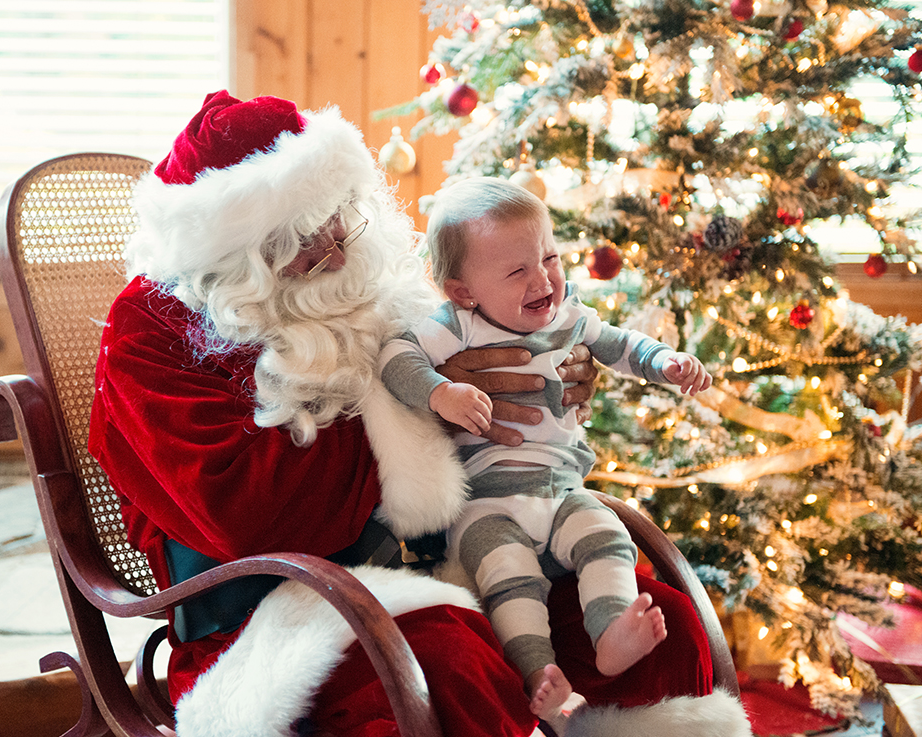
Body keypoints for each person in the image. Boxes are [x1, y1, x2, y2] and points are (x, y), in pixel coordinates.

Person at [88, 90, 751, 737]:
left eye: (339, 219)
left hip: (461, 551)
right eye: (302, 241)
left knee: (664, 627)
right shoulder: (151, 332)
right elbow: (245, 513)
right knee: (451, 666)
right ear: (236, 255)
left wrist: (547, 378)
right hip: (279, 610)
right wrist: (418, 405)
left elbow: (491, 377)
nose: (338, 253)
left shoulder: (365, 281)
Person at [379, 176, 712, 721]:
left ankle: (611, 633)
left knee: (607, 535)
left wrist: (665, 362)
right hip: (487, 501)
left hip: (561, 490)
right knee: (508, 575)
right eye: (517, 272)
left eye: (550, 258)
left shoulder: (569, 317)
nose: (543, 280)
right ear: (463, 292)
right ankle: (539, 672)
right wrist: (441, 392)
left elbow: (622, 345)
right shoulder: (456, 327)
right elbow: (396, 358)